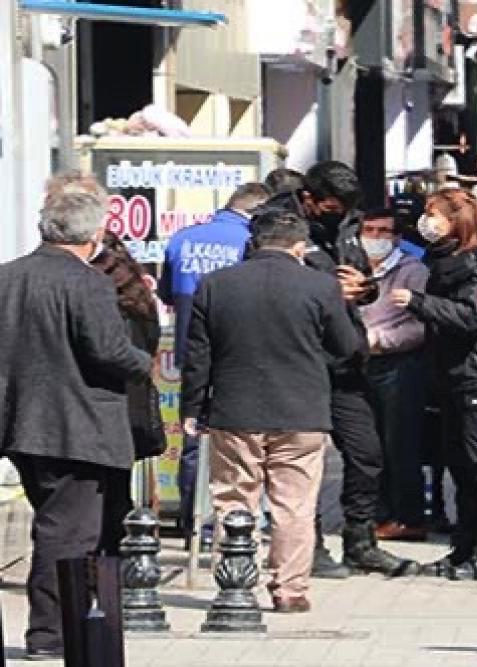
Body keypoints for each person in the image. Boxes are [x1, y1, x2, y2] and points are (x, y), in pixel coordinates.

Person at [0, 179, 153, 659]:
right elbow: (108, 350)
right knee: (68, 533)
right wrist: (144, 361)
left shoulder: (7, 276)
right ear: (93, 237)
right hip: (76, 426)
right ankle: (51, 634)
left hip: (22, 421)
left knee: (56, 523)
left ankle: (62, 627)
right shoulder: (87, 282)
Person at [182, 210, 363, 613]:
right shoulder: (320, 286)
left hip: (235, 409)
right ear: (299, 247)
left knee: (234, 500)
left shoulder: (215, 284)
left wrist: (193, 406)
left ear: (254, 242)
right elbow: (347, 347)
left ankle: (236, 584)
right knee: (295, 504)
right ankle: (290, 590)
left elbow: (198, 355)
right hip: (302, 410)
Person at [259, 160, 417, 578]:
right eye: (330, 207)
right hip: (299, 358)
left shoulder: (347, 223)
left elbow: (359, 280)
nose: (339, 215)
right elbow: (270, 285)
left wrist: (363, 290)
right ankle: (306, 546)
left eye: (346, 210)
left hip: (345, 356)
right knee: (300, 461)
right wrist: (330, 290)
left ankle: (360, 542)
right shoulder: (275, 223)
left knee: (367, 453)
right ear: (308, 198)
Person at [391, 189, 477, 580]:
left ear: (456, 221)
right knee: (460, 465)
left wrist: (418, 302)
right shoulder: (442, 260)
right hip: (452, 375)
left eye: (434, 215)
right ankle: (464, 548)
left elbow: (475, 316)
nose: (426, 223)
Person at [160, 182, 271, 540]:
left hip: (190, 354)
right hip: (239, 358)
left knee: (193, 439)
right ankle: (235, 525)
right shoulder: (250, 242)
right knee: (243, 447)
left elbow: (166, 293)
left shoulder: (182, 239)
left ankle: (192, 523)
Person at [353, 209, 432, 542]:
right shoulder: (353, 267)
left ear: (398, 238)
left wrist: (380, 340)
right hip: (359, 365)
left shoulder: (413, 271)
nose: (375, 237)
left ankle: (408, 517)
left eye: (383, 231)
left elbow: (422, 326)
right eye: (369, 230)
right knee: (368, 445)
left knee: (399, 444)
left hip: (398, 365)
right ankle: (377, 513)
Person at [90, 231, 165, 557]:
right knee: (117, 489)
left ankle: (96, 567)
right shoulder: (140, 295)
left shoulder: (90, 293)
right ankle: (116, 568)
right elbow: (151, 342)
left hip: (99, 401)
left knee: (91, 494)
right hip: (131, 403)